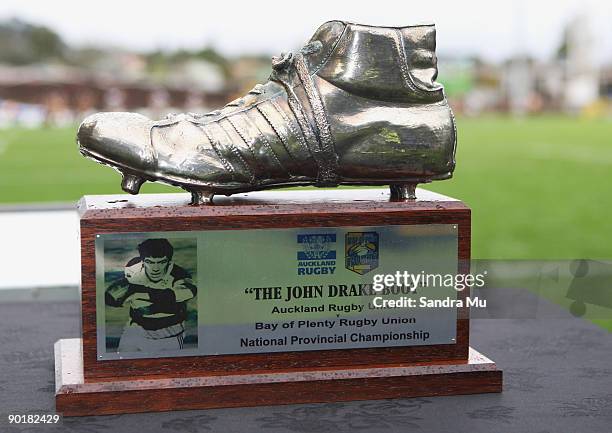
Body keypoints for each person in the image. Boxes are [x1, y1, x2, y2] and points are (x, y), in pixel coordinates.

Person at [105, 238, 196, 352]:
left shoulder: (179, 275)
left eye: (161, 262)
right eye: (150, 262)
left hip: (169, 335)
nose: (155, 268)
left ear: (169, 262)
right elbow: (112, 295)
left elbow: (190, 292)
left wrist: (142, 293)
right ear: (143, 261)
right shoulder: (134, 269)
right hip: (135, 330)